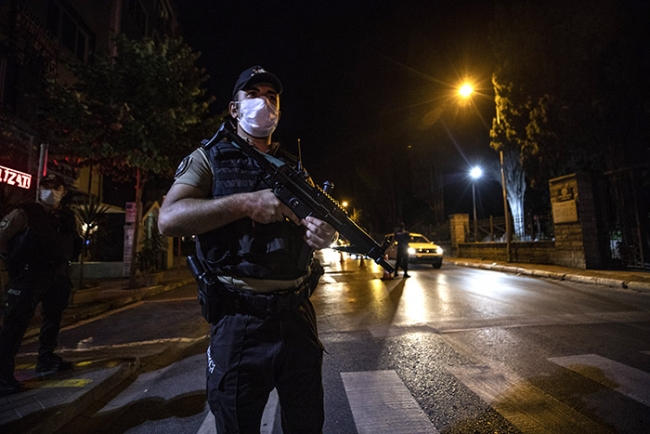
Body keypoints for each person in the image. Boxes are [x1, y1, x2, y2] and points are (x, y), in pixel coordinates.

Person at [158, 65, 337, 434]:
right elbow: (169, 219)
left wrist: (324, 234)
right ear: (234, 108)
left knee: (307, 423)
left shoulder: (293, 167)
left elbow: (318, 225)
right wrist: (244, 203)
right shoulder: (209, 157)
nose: (263, 102)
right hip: (240, 319)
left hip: (297, 317)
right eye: (253, 94)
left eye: (271, 96)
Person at [0, 173, 81, 395]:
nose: (51, 191)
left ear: (64, 191)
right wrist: (11, 266)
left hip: (58, 273)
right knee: (16, 322)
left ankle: (46, 358)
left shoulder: (67, 217)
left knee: (53, 317)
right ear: (39, 189)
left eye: (56, 187)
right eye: (46, 186)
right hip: (30, 274)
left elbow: (72, 244)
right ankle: (3, 374)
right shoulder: (25, 213)